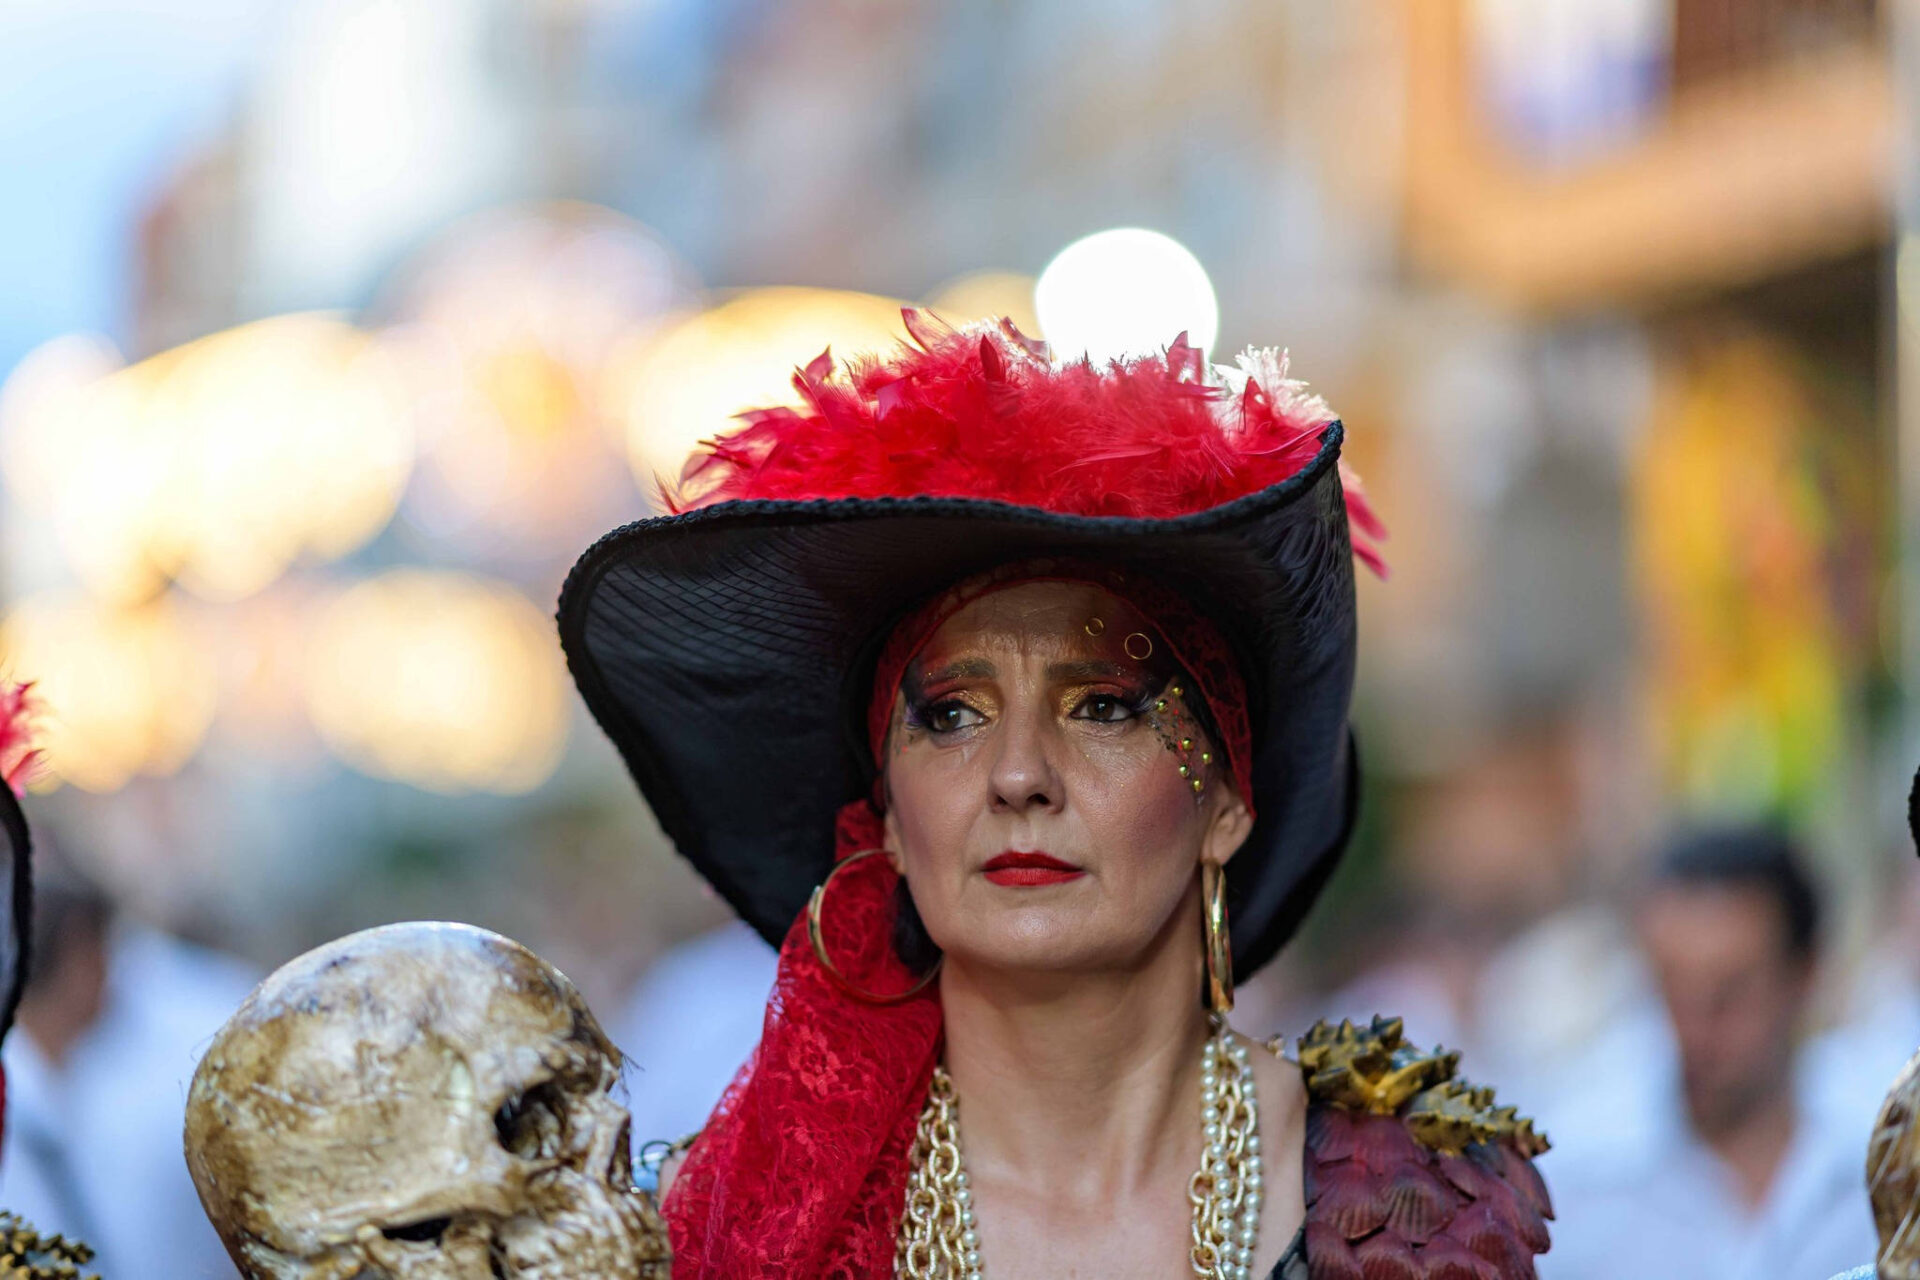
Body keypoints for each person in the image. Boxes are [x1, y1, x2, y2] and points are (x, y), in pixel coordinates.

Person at [558, 317, 1552, 1278]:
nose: (1019, 774)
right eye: (952, 714)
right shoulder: (706, 1231)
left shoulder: (1413, 1210)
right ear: (889, 818)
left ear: (1226, 805)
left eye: (1103, 706)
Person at [1542, 824, 1876, 1280]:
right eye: (1672, 989)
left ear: (1805, 975)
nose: (1696, 1029)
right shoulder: (1575, 1177)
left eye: (1730, 992)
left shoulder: (1883, 1158)